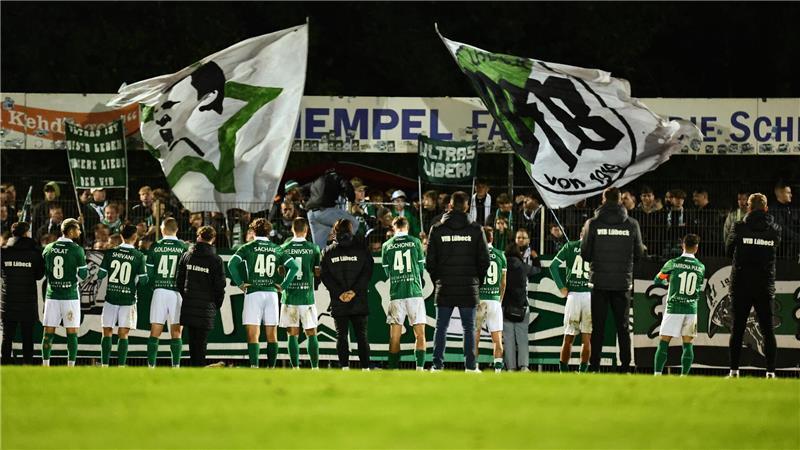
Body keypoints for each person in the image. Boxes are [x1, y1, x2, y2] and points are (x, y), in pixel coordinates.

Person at [581, 187, 644, 373]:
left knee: (598, 328)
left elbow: (585, 254)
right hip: (622, 284)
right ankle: (625, 367)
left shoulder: (592, 223)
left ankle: (594, 367)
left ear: (603, 199)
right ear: (620, 200)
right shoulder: (632, 224)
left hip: (599, 282)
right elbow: (639, 254)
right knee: (623, 327)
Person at [427, 191, 490, 372]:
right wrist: (477, 281)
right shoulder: (476, 229)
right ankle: (470, 367)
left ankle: (437, 365)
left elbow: (430, 262)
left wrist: (438, 279)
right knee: (469, 328)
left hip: (444, 286)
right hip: (469, 287)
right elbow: (484, 261)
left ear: (450, 206)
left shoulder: (437, 229)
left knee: (441, 328)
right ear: (467, 207)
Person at [228, 219, 299, 368]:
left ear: (253, 231)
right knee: (271, 335)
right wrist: (283, 286)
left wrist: (240, 283)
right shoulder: (276, 248)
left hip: (254, 293)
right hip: (272, 294)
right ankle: (271, 368)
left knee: (253, 334)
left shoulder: (248, 247)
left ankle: (255, 367)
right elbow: (293, 267)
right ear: (269, 232)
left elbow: (231, 264)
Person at [726, 193, 781, 378]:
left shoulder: (739, 226)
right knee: (767, 330)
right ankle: (771, 372)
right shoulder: (774, 230)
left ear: (749, 208)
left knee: (738, 329)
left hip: (741, 285)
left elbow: (728, 250)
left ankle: (734, 371)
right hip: (764, 286)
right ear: (765, 208)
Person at [320, 219, 373, 370]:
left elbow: (325, 276)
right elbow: (367, 273)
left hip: (339, 301)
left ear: (335, 231)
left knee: (341, 335)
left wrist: (340, 293)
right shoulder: (362, 249)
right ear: (350, 230)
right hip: (359, 300)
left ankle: (344, 367)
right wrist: (354, 291)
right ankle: (366, 368)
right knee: (361, 336)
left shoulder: (328, 251)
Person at [652, 234, 705, 376]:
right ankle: (684, 377)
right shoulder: (700, 267)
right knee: (688, 344)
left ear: (683, 245)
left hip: (674, 307)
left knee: (664, 342)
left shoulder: (673, 263)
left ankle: (657, 376)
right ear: (696, 248)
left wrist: (667, 282)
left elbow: (657, 280)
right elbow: (698, 286)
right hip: (691, 309)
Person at [96, 225, 148, 367]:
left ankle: (105, 366)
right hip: (128, 299)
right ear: (135, 237)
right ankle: (121, 366)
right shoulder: (139, 256)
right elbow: (144, 281)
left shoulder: (111, 252)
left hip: (111, 297)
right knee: (123, 334)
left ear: (121, 236)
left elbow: (100, 274)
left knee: (106, 331)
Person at [381, 216, 427, 370]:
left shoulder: (387, 245)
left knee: (394, 336)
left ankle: (393, 369)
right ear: (407, 227)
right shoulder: (415, 242)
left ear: (394, 228)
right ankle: (419, 369)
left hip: (396, 294)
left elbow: (387, 272)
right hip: (414, 292)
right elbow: (421, 270)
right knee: (420, 334)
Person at [176, 226, 226, 367]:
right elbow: (219, 286)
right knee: (201, 342)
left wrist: (187, 296)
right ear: (213, 239)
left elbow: (179, 281)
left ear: (198, 237)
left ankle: (195, 368)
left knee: (192, 341)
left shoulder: (187, 255)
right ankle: (198, 369)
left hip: (189, 305)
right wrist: (216, 304)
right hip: (206, 307)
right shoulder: (216, 260)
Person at [41, 218, 88, 367]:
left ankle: (45, 365)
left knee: (48, 332)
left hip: (52, 295)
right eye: (78, 229)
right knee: (72, 332)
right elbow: (83, 275)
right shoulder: (77, 249)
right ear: (71, 231)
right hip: (70, 296)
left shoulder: (48, 248)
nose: (80, 232)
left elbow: (44, 269)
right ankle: (70, 366)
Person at [145, 218, 189, 368]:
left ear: (163, 230)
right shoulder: (183, 247)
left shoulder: (155, 246)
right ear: (176, 230)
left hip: (160, 292)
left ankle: (151, 367)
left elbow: (149, 274)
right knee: (176, 332)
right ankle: (175, 367)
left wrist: (155, 286)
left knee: (155, 331)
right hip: (176, 293)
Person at [279, 218, 322, 369]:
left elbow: (281, 271)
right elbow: (317, 272)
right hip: (307, 297)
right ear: (306, 230)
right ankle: (315, 368)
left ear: (292, 230)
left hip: (290, 296)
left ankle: (295, 368)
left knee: (292, 334)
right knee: (311, 332)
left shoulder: (283, 248)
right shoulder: (314, 248)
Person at [1, 222, 45, 365]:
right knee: (28, 337)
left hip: (8, 302)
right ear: (26, 233)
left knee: (7, 337)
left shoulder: (3, 252)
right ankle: (28, 365)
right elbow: (39, 276)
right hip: (28, 302)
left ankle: (4, 366)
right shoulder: (35, 253)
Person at [550, 232, 591, 373]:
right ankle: (583, 371)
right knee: (587, 339)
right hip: (589, 296)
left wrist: (561, 287)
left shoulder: (570, 246)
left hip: (573, 295)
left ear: (580, 234)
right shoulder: (597, 248)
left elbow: (553, 266)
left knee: (568, 337)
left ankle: (563, 371)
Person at [476, 227, 507, 373]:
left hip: (479, 299)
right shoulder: (501, 255)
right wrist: (499, 299)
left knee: (474, 337)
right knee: (497, 339)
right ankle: (498, 372)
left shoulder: (475, 254)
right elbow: (503, 282)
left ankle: (472, 368)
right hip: (494, 300)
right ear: (492, 239)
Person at [305, 169, 357, 249]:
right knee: (354, 222)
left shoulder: (317, 180)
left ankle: (321, 259)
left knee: (320, 247)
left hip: (311, 213)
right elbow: (347, 186)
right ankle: (344, 247)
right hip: (324, 211)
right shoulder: (336, 178)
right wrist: (351, 199)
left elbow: (303, 189)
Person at [502, 242, 531, 371]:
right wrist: (535, 258)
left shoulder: (503, 265)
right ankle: (524, 366)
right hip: (522, 307)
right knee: (523, 338)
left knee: (508, 339)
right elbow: (537, 269)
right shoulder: (523, 266)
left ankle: (510, 367)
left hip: (506, 307)